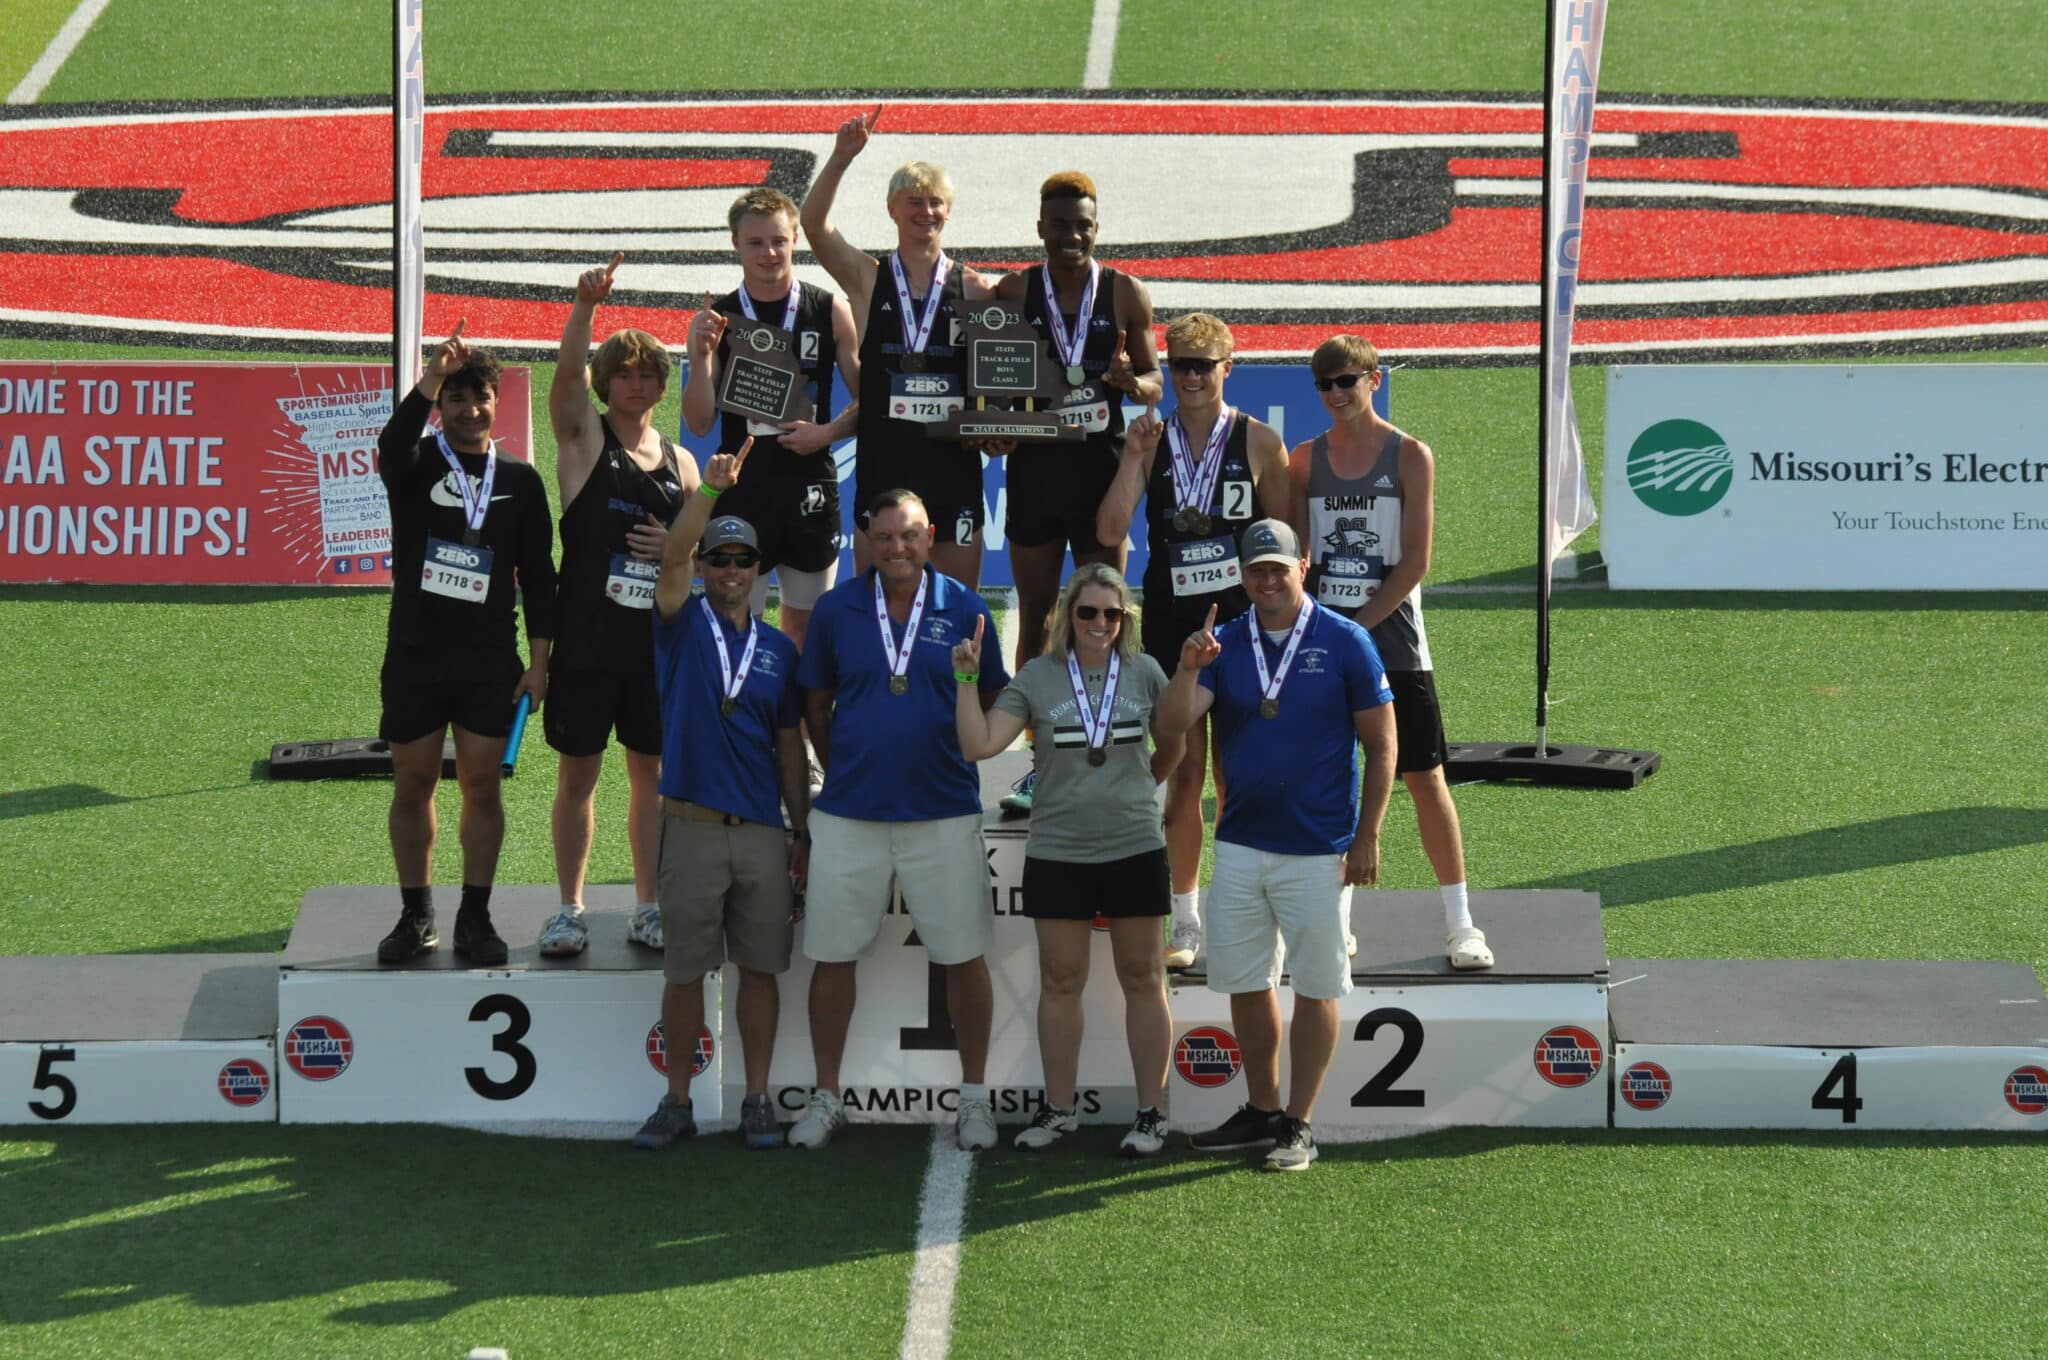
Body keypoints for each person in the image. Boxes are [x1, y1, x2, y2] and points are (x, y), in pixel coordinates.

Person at [1155, 519, 1397, 1172]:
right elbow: (1171, 722)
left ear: (1304, 566)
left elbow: (1381, 745)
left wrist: (1367, 834)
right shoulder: (1224, 643)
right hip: (1240, 843)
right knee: (1245, 981)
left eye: (1277, 569)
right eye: (1256, 570)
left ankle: (1301, 1122)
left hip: (1319, 847)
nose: (1267, 581)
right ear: (1241, 574)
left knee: (1317, 986)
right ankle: (1262, 1109)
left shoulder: (1346, 642)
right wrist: (1185, 668)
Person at [790, 489, 1010, 1151]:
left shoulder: (967, 609)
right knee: (832, 958)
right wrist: (851, 770)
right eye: (884, 537)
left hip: (942, 811)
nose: (897, 549)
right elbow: (816, 707)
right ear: (866, 541)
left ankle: (974, 1098)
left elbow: (994, 704)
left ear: (931, 535)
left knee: (964, 958)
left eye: (909, 536)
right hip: (849, 815)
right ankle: (827, 1096)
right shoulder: (835, 611)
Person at [951, 563, 1179, 1156]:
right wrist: (966, 681)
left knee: (1143, 978)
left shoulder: (1146, 671)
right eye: (1087, 613)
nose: (1099, 623)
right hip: (1058, 850)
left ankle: (1152, 1112)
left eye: (1111, 613)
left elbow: (1175, 739)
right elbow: (979, 745)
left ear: (1124, 619)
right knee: (1060, 981)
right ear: (1066, 617)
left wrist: (1144, 785)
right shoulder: (1038, 677)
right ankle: (1059, 1109)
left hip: (1134, 846)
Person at [1290, 335, 1493, 971]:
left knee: (1424, 778)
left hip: (1398, 646)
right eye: (1324, 384)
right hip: (1326, 643)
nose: (1335, 394)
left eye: (1347, 380)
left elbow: (1415, 564)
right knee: (1330, 779)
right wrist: (1330, 631)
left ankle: (1462, 924)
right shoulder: (1303, 460)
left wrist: (1357, 627)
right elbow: (1299, 561)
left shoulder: (1410, 455)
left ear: (1374, 380)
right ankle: (1338, 923)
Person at [1095, 313, 1290, 970]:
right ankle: (1186, 919)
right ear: (1168, 371)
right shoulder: (1149, 439)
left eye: (1205, 366)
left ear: (1228, 369)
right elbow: (1111, 524)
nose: (1193, 378)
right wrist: (1130, 457)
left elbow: (1288, 545)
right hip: (1175, 621)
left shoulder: (1260, 441)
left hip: (1244, 625)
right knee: (1181, 767)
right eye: (1181, 365)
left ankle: (1254, 911)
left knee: (1243, 774)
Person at [633, 439, 812, 1151]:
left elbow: (789, 746)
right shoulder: (678, 622)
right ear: (705, 568)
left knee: (760, 971)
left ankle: (758, 1099)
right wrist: (706, 494)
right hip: (693, 825)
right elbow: (671, 556)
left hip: (764, 832)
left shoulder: (779, 652)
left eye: (743, 561)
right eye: (721, 559)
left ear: (759, 571)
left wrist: (801, 830)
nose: (731, 571)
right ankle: (677, 1099)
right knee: (685, 974)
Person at [373, 326, 557, 967]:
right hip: (416, 655)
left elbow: (539, 577)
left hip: (488, 661)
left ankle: (474, 916)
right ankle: (415, 913)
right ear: (440, 405)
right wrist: (428, 377)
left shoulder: (521, 481)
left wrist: (538, 664)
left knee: (482, 784)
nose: (468, 409)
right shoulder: (415, 464)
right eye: (455, 398)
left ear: (495, 402)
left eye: (479, 397)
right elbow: (389, 443)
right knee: (413, 782)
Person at [989, 171, 1162, 814]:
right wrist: (998, 423)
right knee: (1035, 609)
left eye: (1082, 225)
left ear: (1097, 228)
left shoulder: (1124, 293)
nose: (1071, 236)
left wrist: (1128, 381)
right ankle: (1038, 760)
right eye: (1059, 225)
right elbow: (992, 382)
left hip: (1101, 470)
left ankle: (1116, 749)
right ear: (1040, 228)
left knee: (1106, 612)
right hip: (1036, 469)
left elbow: (1154, 383)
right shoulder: (1015, 291)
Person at [539, 258, 697, 960]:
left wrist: (676, 546)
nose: (636, 384)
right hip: (587, 640)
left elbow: (695, 558)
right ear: (608, 383)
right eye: (624, 374)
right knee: (579, 775)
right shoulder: (584, 439)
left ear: (664, 385)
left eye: (648, 374)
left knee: (652, 779)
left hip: (654, 647)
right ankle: (570, 908)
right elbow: (566, 381)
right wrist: (583, 309)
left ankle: (650, 904)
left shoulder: (683, 464)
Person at [799, 106, 1000, 587]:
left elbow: (998, 382)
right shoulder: (868, 279)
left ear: (948, 211)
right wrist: (841, 158)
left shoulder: (975, 290)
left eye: (934, 202)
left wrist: (999, 424)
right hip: (885, 463)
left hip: (952, 468)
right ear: (892, 209)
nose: (925, 211)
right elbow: (814, 225)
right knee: (875, 613)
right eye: (913, 201)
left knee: (955, 607)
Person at [681, 187, 862, 652]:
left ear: (796, 239)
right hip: (744, 487)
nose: (769, 253)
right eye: (756, 242)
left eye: (779, 240)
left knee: (807, 629)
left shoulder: (829, 309)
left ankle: (796, 726)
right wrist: (701, 356)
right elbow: (700, 422)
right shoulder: (718, 317)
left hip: (810, 482)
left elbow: (872, 401)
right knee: (739, 625)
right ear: (735, 245)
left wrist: (828, 433)